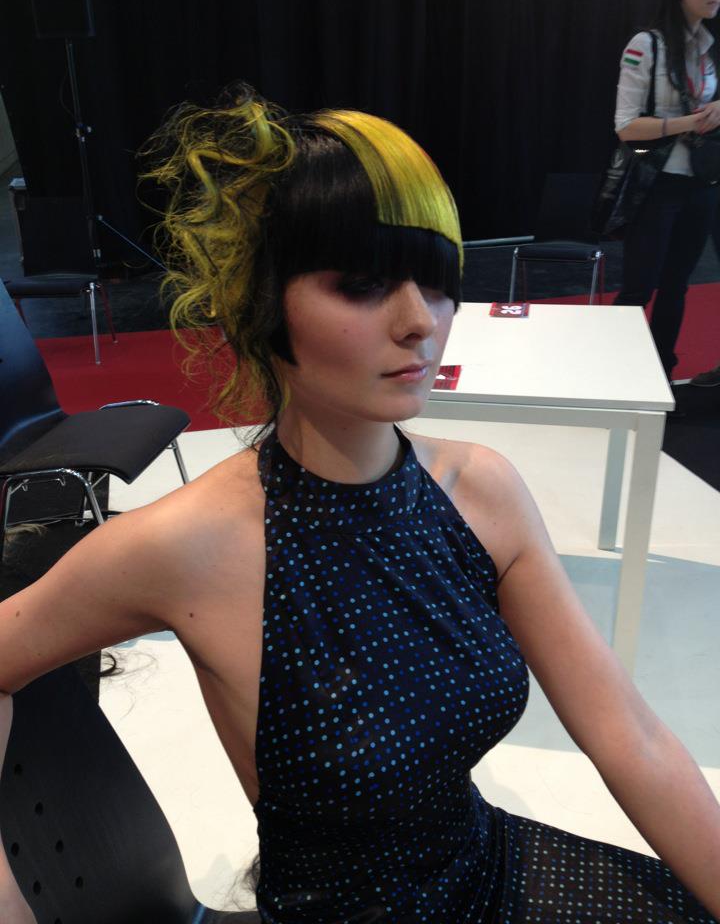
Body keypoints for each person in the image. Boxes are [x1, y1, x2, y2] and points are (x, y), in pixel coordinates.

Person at [1, 89, 719, 924]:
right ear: (264, 302)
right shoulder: (187, 545)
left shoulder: (480, 491)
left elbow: (630, 736)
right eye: (363, 285)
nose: (421, 322)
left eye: (437, 284)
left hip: (485, 867)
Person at [614, 0, 720, 379]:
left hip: (701, 182)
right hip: (655, 184)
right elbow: (626, 127)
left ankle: (662, 373)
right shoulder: (646, 45)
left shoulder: (708, 47)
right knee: (638, 288)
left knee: (677, 286)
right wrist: (691, 122)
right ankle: (614, 375)